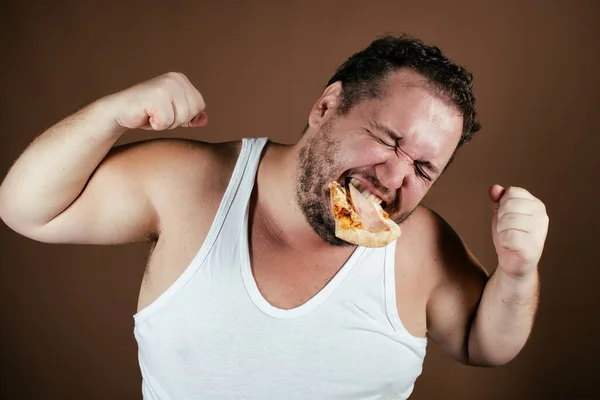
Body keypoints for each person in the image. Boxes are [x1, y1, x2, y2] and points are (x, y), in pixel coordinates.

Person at [0, 35, 549, 399]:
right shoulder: (191, 181)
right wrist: (111, 114)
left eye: (424, 168)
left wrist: (519, 271)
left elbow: (485, 344)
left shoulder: (423, 245)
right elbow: (29, 210)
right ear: (326, 106)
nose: (393, 177)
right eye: (386, 139)